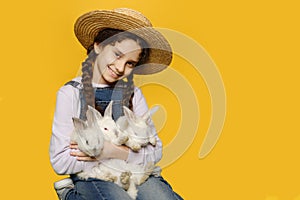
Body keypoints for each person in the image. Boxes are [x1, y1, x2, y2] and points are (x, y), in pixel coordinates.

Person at [49, 8, 183, 200]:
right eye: (117, 54)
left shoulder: (133, 95)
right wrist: (123, 154)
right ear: (98, 46)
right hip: (92, 176)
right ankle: (71, 195)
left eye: (130, 63)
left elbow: (155, 152)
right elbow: (61, 162)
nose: (121, 68)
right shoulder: (70, 93)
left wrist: (109, 151)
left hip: (132, 173)